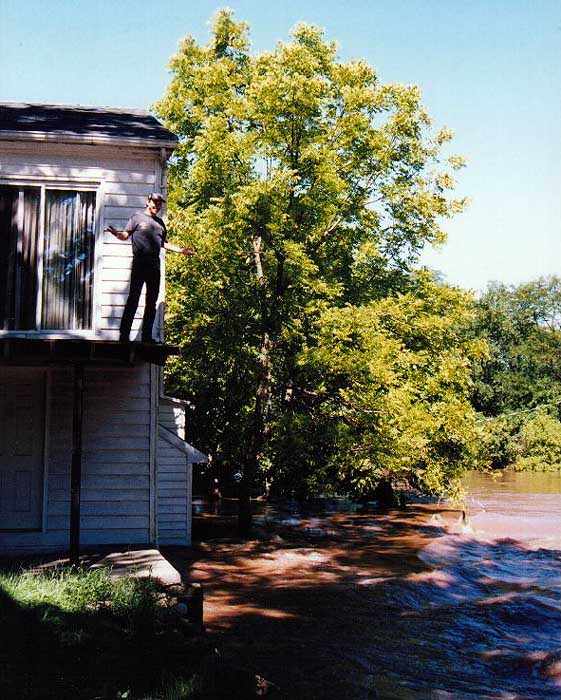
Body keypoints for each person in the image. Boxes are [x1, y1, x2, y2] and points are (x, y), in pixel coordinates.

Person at [105, 193, 194, 342]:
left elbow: (163, 243)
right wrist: (116, 234)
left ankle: (146, 336)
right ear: (148, 202)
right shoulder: (137, 217)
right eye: (154, 202)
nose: (157, 206)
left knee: (151, 302)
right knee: (134, 298)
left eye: (159, 204)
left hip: (154, 267)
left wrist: (181, 250)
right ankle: (124, 335)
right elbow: (125, 235)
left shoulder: (160, 223)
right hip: (140, 264)